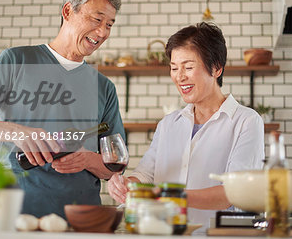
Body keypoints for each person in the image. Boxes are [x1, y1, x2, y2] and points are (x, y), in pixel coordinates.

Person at [0, 0, 125, 218]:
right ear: (67, 11)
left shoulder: (104, 87)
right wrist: (15, 132)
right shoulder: (17, 60)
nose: (103, 32)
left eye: (109, 24)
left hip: (83, 221)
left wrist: (87, 160)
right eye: (97, 20)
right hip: (18, 215)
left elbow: (113, 165)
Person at [107, 22, 264, 228]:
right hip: (166, 232)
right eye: (174, 68)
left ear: (216, 68)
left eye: (188, 67)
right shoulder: (169, 124)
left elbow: (234, 192)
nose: (180, 77)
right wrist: (128, 185)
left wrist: (165, 195)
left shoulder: (246, 121)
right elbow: (146, 175)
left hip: (219, 235)